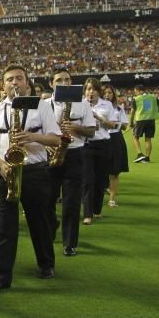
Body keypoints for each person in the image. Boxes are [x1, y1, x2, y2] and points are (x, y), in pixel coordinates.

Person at [0, 65, 61, 287]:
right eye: (9, 80)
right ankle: (3, 276)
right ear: (3, 85)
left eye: (19, 78)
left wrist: (31, 137)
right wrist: (1, 166)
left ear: (27, 83)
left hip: (35, 171)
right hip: (4, 172)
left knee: (40, 223)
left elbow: (56, 139)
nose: (14, 83)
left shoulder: (42, 107)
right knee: (4, 227)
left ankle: (46, 265)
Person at [45, 68, 96, 257]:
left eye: (67, 79)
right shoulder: (43, 104)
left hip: (75, 155)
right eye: (59, 80)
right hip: (50, 154)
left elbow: (91, 131)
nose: (64, 83)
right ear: (51, 83)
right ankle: (50, 230)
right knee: (47, 200)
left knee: (72, 202)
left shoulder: (82, 103)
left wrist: (76, 127)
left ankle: (70, 242)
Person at [81, 78, 115, 225]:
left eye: (94, 89)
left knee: (100, 180)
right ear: (85, 91)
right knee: (87, 180)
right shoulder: (80, 104)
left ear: (98, 91)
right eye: (88, 89)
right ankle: (87, 214)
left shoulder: (107, 105)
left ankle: (96, 209)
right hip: (86, 145)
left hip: (103, 144)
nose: (91, 92)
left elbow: (113, 125)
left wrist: (99, 118)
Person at [102, 84, 128, 207]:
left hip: (116, 138)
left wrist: (112, 123)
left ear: (113, 95)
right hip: (101, 139)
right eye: (105, 93)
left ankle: (112, 199)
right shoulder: (96, 108)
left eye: (109, 93)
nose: (107, 95)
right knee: (100, 170)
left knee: (115, 171)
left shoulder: (118, 108)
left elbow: (125, 126)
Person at [130, 84, 159, 163]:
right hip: (151, 120)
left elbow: (132, 112)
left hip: (141, 120)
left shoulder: (136, 99)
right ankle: (147, 157)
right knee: (148, 139)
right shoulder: (153, 97)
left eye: (135, 92)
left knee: (135, 137)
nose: (135, 93)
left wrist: (131, 122)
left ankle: (139, 154)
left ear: (139, 91)